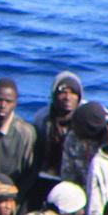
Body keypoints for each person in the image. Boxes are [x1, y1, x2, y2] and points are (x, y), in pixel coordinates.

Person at [29, 71, 85, 202]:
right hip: (46, 177)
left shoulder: (86, 117)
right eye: (62, 92)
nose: (67, 97)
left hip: (76, 181)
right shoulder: (42, 118)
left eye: (73, 93)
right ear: (54, 95)